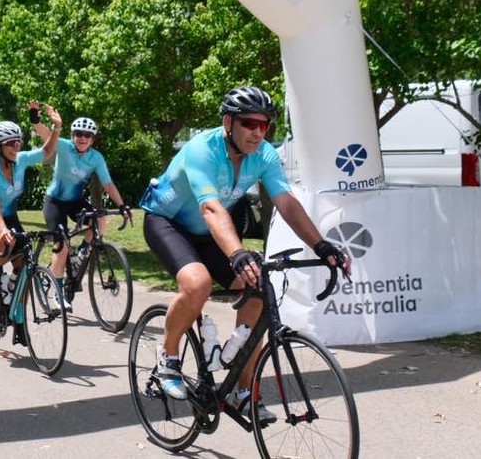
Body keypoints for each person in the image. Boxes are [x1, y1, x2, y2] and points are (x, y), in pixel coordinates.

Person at [139, 86, 350, 417]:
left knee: (256, 288)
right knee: (197, 284)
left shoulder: (264, 155)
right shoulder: (201, 150)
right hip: (168, 223)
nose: (257, 132)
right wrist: (237, 252)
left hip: (210, 232)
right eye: (249, 123)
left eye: (263, 125)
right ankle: (167, 356)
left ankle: (241, 390)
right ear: (228, 122)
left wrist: (321, 245)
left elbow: (286, 202)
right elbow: (210, 207)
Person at [27, 99, 133, 313]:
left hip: (75, 202)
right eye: (78, 134)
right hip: (55, 201)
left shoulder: (96, 157)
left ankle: (80, 254)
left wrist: (122, 205)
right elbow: (47, 136)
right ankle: (57, 291)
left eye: (88, 135)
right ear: (73, 136)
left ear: (93, 139)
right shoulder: (64, 146)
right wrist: (35, 119)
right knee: (62, 244)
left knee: (100, 219)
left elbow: (108, 183)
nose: (83, 138)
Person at [0, 113, 60, 346]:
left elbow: (47, 152)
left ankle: (18, 320)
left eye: (17, 142)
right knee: (3, 241)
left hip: (10, 217)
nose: (16, 146)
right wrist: (3, 229)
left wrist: (56, 127)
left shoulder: (20, 160)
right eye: (10, 143)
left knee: (25, 268)